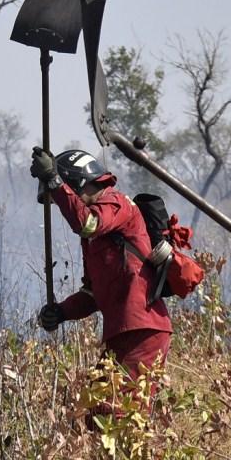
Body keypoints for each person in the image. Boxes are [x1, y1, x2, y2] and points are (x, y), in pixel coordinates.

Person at [29, 147, 172, 382]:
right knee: (97, 412)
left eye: (61, 197)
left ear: (75, 185)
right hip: (123, 331)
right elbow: (92, 293)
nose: (60, 204)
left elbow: (89, 222)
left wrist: (54, 181)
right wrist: (62, 312)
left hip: (143, 329)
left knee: (117, 412)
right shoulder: (92, 239)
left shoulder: (115, 202)